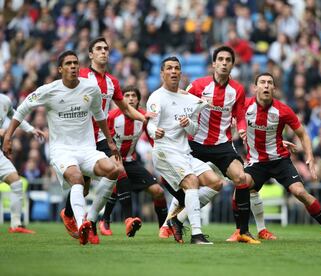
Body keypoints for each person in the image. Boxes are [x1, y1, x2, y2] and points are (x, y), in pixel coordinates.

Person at [3, 50, 120, 245]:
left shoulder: (90, 89)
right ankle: (82, 224)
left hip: (87, 149)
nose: (73, 66)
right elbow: (22, 109)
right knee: (78, 180)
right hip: (62, 151)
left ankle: (89, 220)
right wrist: (8, 136)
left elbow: (99, 114)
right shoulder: (48, 90)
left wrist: (109, 140)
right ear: (60, 69)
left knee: (113, 171)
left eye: (75, 63)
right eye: (68, 64)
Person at [235, 72, 321, 243]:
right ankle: (242, 231)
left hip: (280, 160)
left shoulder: (282, 110)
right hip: (257, 162)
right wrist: (240, 129)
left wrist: (310, 157)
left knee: (300, 192)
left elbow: (303, 134)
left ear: (274, 88)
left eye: (270, 82)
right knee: (240, 187)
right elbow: (234, 118)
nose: (266, 85)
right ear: (255, 87)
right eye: (262, 82)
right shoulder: (245, 106)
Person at [60, 37, 147, 244]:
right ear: (90, 54)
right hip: (79, 139)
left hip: (100, 138)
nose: (103, 52)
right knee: (84, 185)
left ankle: (117, 219)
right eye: (98, 49)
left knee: (118, 169)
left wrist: (145, 118)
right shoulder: (80, 75)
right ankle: (69, 214)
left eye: (106, 49)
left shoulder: (112, 82)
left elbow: (125, 108)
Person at [146, 56, 222, 245]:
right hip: (164, 152)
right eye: (169, 68)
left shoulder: (188, 99)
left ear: (181, 73)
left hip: (184, 153)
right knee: (192, 182)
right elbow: (149, 125)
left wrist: (189, 124)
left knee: (216, 183)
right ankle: (197, 234)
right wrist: (155, 131)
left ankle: (176, 220)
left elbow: (194, 130)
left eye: (177, 68)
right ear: (162, 73)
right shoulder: (157, 97)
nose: (173, 71)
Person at [186, 45, 258, 243]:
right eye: (221, 60)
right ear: (213, 64)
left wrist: (242, 128)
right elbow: (183, 108)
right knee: (187, 183)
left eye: (228, 60)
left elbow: (240, 115)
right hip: (196, 143)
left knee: (241, 178)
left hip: (222, 144)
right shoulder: (198, 85)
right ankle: (171, 222)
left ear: (232, 65)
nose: (224, 63)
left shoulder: (237, 90)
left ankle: (242, 231)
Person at [97, 85, 169, 238]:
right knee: (119, 176)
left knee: (158, 192)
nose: (130, 99)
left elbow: (152, 139)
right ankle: (108, 220)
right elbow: (102, 140)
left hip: (131, 161)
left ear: (138, 99)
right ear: (121, 99)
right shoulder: (111, 117)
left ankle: (164, 228)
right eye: (127, 95)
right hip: (113, 160)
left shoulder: (143, 117)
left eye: (133, 96)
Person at [0, 94, 45, 234]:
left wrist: (31, 129)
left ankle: (15, 224)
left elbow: (16, 116)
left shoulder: (5, 100)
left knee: (16, 183)